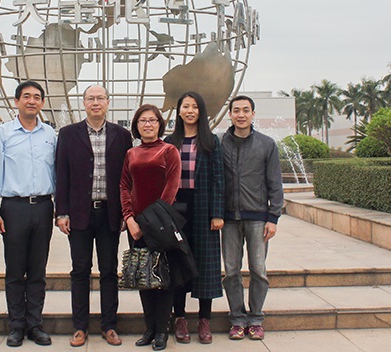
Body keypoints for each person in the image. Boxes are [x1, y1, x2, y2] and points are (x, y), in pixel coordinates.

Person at [55, 85, 133, 347]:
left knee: (109, 271)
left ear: (108, 102)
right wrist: (61, 212)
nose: (95, 102)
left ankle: (109, 326)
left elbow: (127, 178)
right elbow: (61, 175)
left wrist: (126, 212)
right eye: (91, 98)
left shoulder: (122, 135)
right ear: (84, 103)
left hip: (110, 213)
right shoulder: (68, 134)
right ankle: (80, 327)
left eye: (100, 98)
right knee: (80, 270)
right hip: (79, 214)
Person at [0, 81, 57, 347]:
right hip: (13, 208)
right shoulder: (2, 134)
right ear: (16, 101)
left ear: (42, 103)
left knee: (38, 270)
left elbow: (57, 173)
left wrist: (61, 209)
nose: (31, 101)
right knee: (15, 271)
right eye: (26, 96)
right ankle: (16, 326)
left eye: (37, 97)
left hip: (43, 207)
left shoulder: (50, 134)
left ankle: (35, 324)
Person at [221, 95, 283, 341]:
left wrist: (273, 217)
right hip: (228, 219)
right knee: (231, 271)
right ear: (230, 114)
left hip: (258, 218)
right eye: (236, 110)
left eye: (246, 110)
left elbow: (275, 183)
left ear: (253, 114)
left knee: (258, 270)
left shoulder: (266, 144)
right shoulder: (220, 143)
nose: (241, 115)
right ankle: (237, 319)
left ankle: (256, 319)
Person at [164, 92, 224, 344]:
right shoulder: (170, 141)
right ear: (178, 111)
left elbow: (219, 179)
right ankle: (179, 317)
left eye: (195, 107)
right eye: (185, 106)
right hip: (176, 209)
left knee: (206, 264)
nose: (190, 111)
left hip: (203, 208)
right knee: (177, 262)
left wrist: (217, 213)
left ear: (201, 111)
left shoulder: (211, 142)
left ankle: (204, 319)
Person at [120, 104, 181, 351]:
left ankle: (162, 331)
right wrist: (129, 219)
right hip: (135, 227)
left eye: (152, 120)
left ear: (159, 124)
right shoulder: (131, 153)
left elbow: (171, 189)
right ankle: (149, 329)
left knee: (163, 278)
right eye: (143, 120)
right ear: (136, 125)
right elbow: (124, 187)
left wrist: (151, 223)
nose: (148, 124)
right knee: (143, 276)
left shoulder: (169, 151)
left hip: (161, 226)